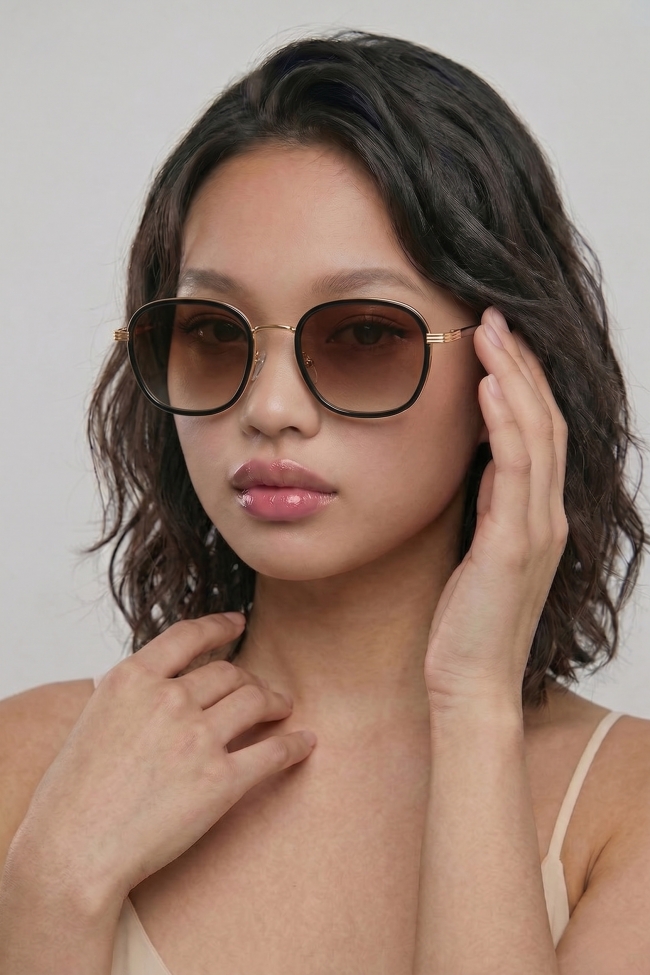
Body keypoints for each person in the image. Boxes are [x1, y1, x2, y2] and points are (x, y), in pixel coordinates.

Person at [1, 29, 649, 975]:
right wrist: (55, 891)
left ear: (509, 370)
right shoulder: (31, 769)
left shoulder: (625, 809)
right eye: (214, 332)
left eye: (363, 335)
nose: (269, 408)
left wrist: (473, 707)